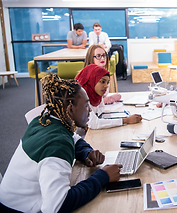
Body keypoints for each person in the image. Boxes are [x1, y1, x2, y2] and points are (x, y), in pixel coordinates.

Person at [0, 74, 122, 212]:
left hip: (11, 201)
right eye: (86, 105)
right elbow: (57, 205)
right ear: (70, 109)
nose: (89, 110)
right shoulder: (56, 145)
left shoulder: (46, 119)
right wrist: (102, 177)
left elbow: (74, 138)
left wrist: (86, 152)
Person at [75, 64, 142, 130]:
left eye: (107, 82)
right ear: (91, 80)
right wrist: (126, 120)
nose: (106, 86)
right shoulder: (82, 97)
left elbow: (101, 110)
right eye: (102, 81)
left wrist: (95, 118)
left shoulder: (95, 93)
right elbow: (95, 123)